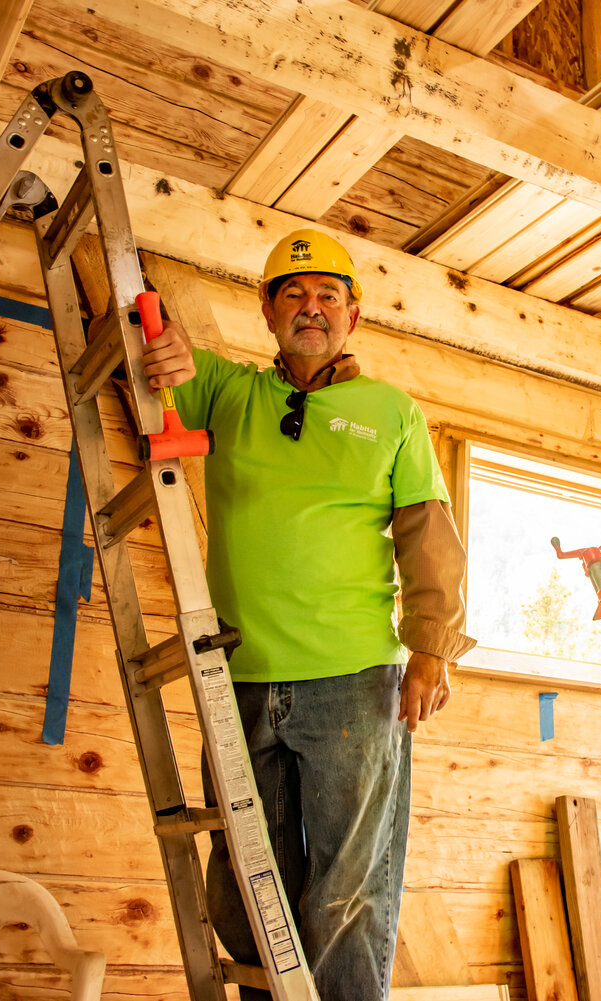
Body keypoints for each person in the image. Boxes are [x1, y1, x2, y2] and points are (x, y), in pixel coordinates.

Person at [140, 228, 475, 1000]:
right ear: (267, 311)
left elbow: (429, 537)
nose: (311, 308)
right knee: (244, 883)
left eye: (328, 295)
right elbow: (145, 354)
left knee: (343, 891)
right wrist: (163, 346)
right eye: (292, 294)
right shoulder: (227, 391)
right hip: (243, 677)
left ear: (353, 315)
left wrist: (432, 648)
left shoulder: (391, 413)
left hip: (353, 683)